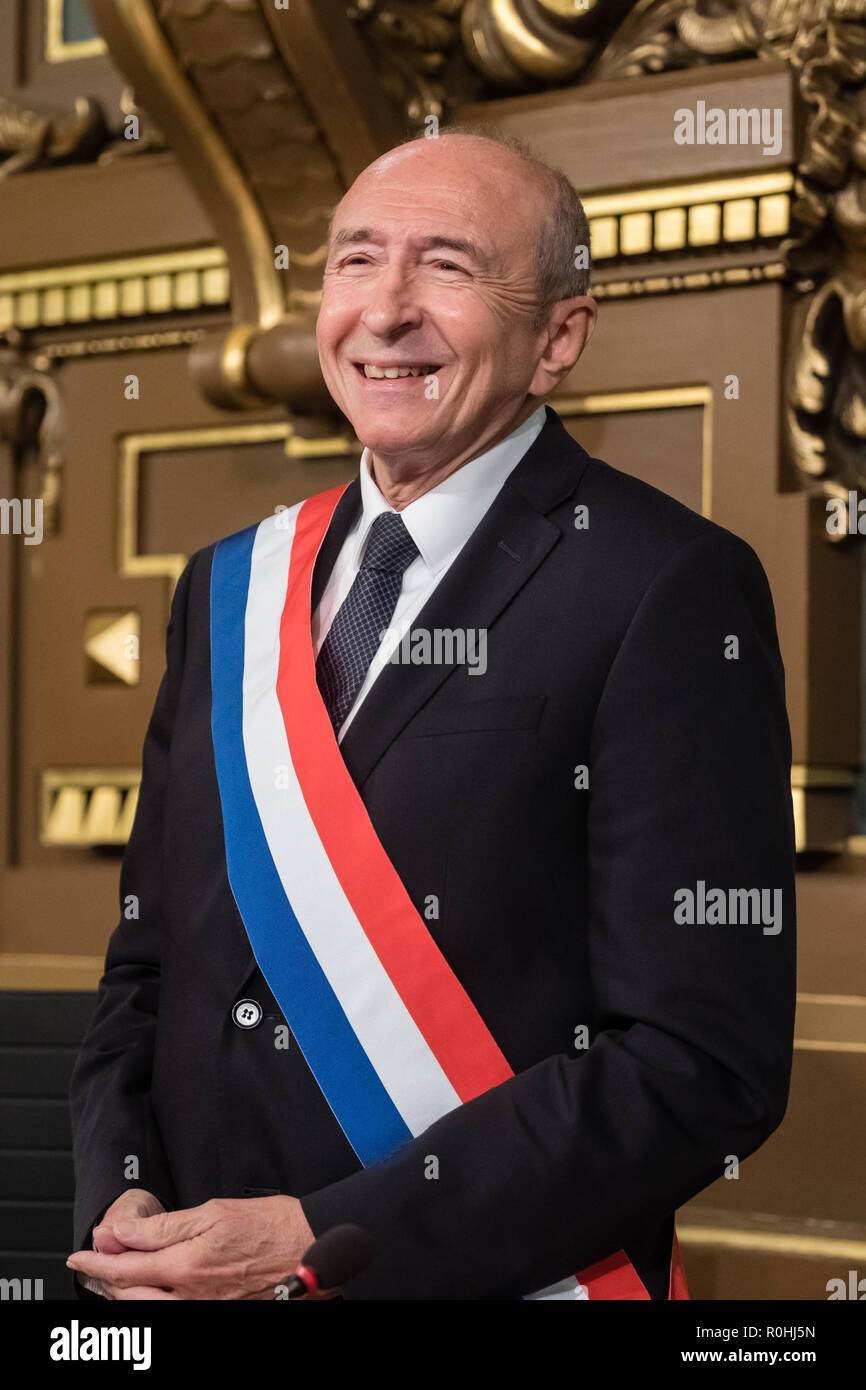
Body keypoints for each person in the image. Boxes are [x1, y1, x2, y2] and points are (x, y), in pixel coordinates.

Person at [67, 130, 796, 1301]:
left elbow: (700, 1062)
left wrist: (322, 1241)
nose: (386, 311)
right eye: (356, 261)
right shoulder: (226, 585)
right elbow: (147, 966)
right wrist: (122, 1194)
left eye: (448, 268)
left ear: (556, 337)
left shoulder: (663, 586)